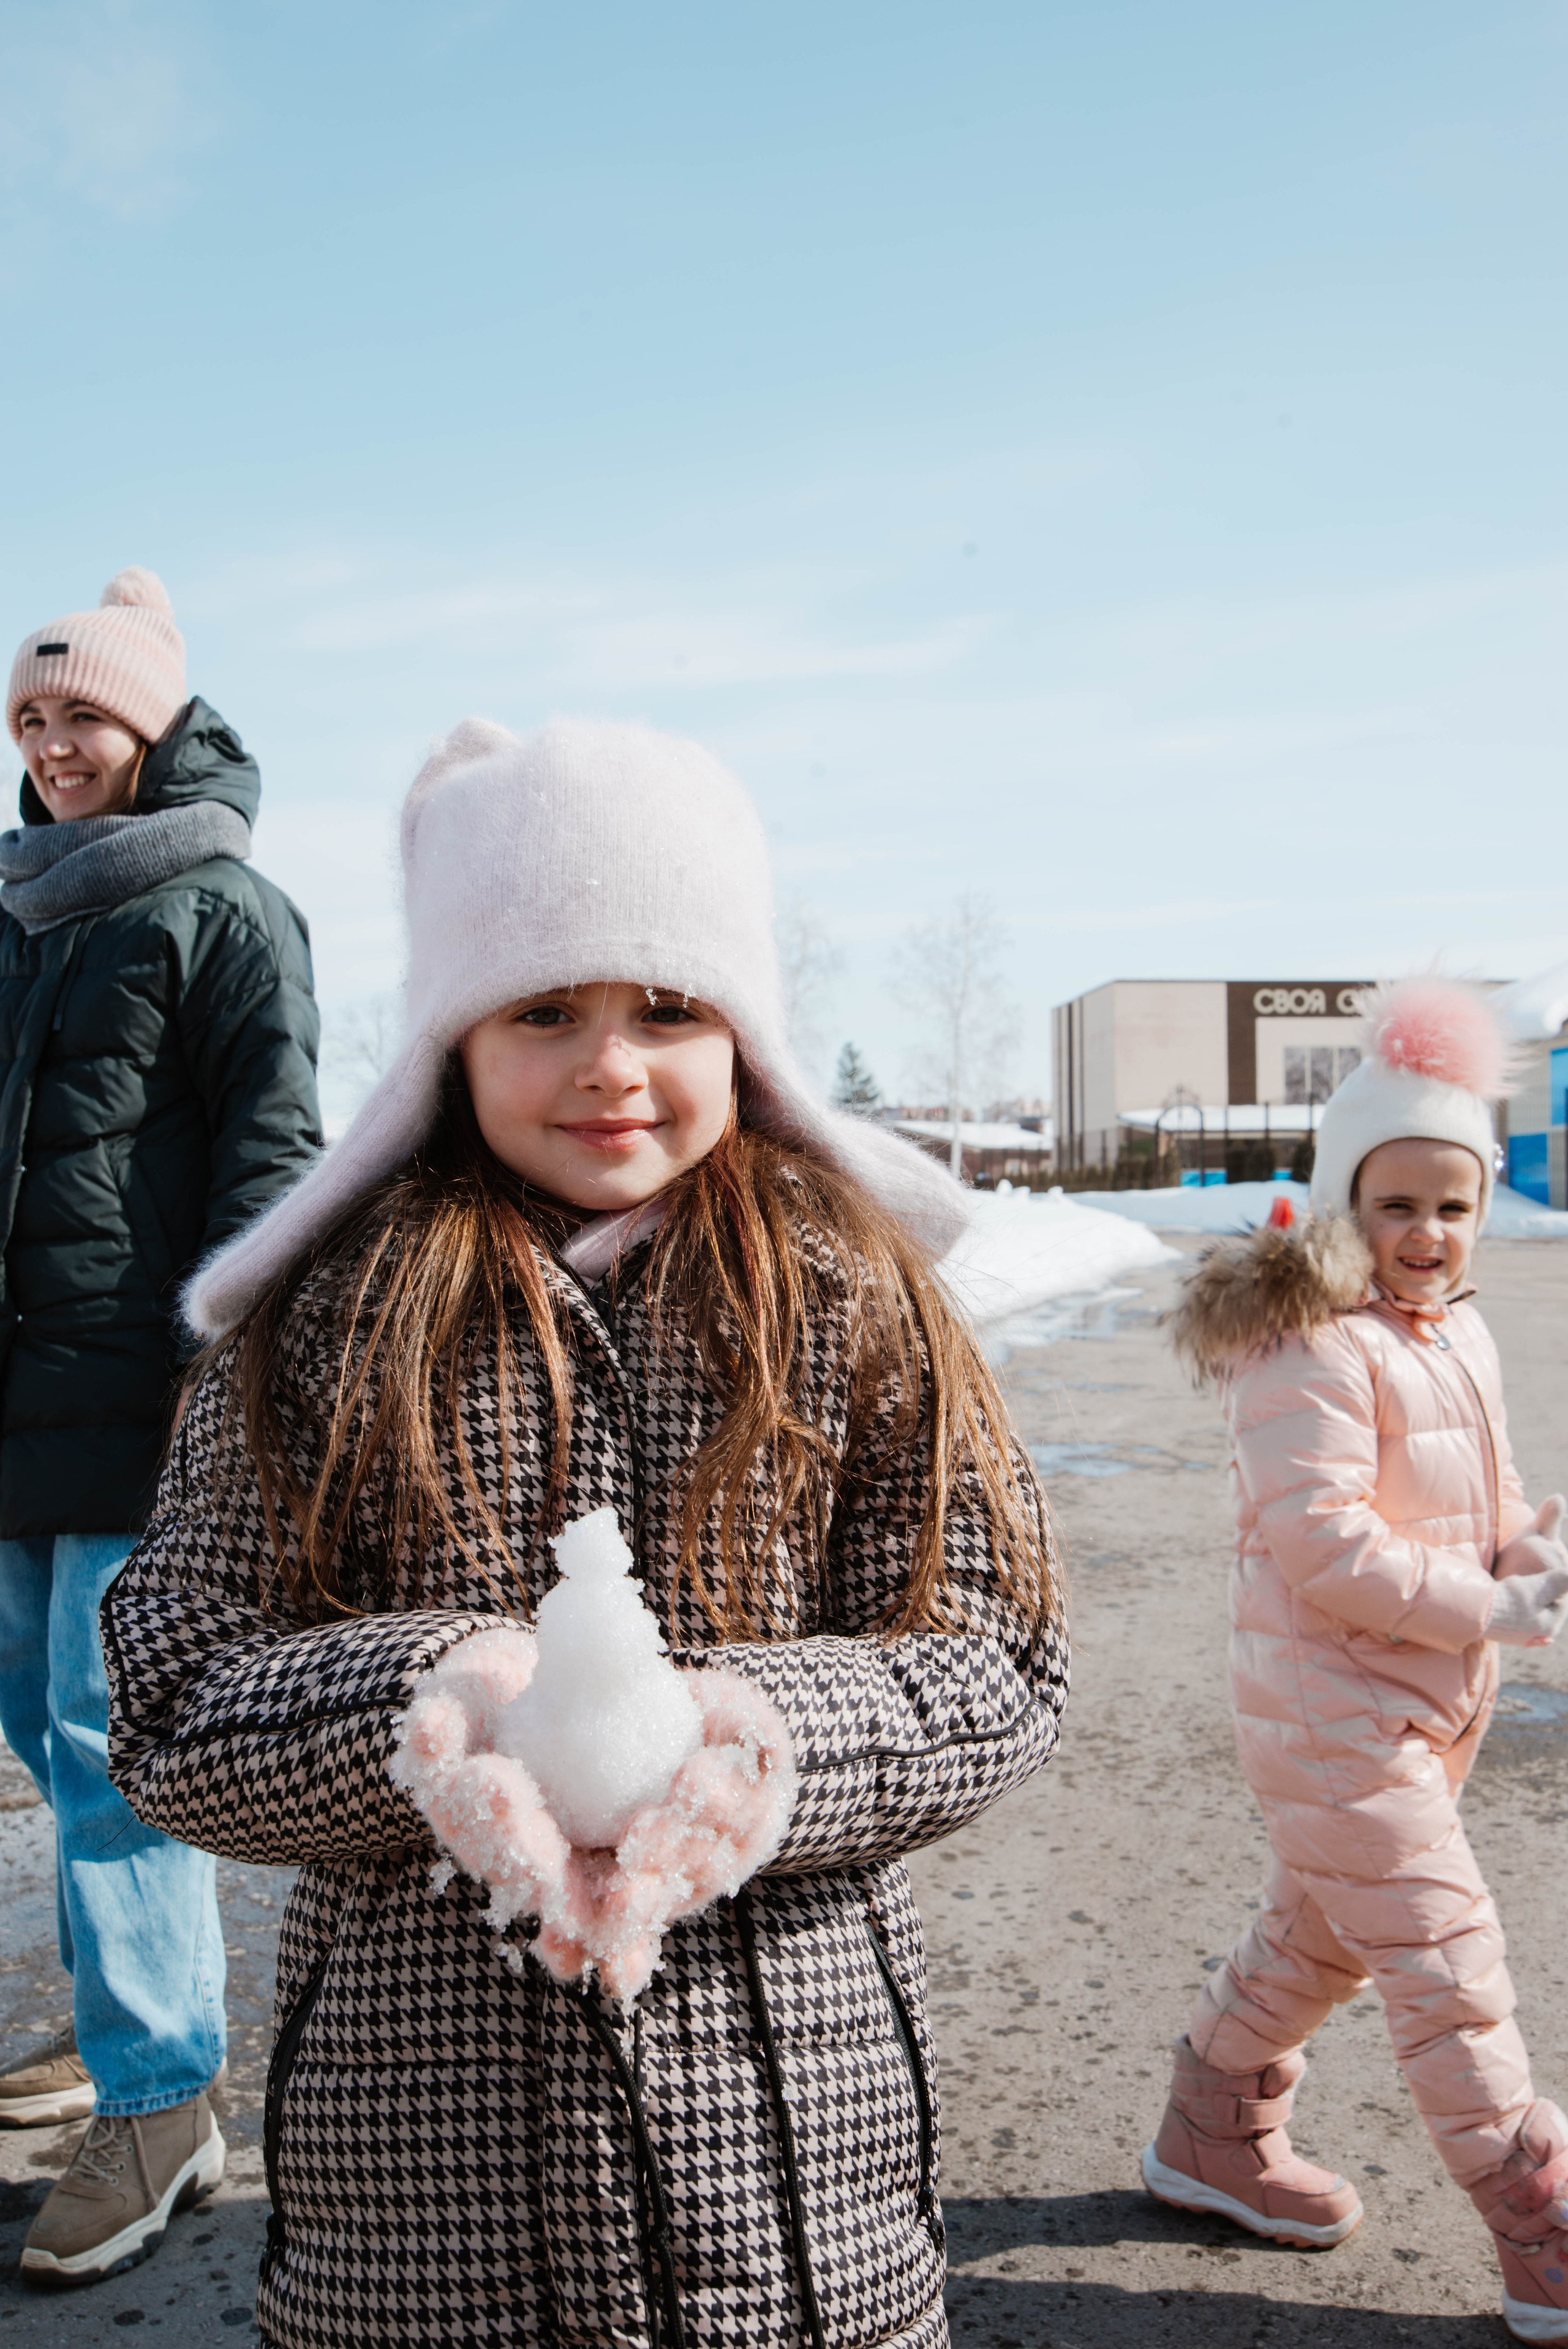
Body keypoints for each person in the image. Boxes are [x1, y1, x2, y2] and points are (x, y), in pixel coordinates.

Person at [100, 714, 1068, 2349]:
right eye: (546, 1010)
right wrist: (431, 1704)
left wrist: (756, 1738)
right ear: (451, 1044)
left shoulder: (855, 1298)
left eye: (668, 1009)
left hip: (793, 2186)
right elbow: (174, 1692)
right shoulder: (328, 1318)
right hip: (415, 2197)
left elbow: (995, 1661)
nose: (611, 1063)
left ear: (744, 1034)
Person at [1142, 976, 1568, 2345]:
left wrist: (1520, 1552)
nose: (1427, 1234)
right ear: (1343, 1204)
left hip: (1415, 1707)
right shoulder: (1306, 1341)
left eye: (1453, 1205)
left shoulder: (1460, 1333)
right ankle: (1535, 2221)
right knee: (1445, 1959)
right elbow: (1324, 1548)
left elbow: (1481, 1495)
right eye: (1396, 1204)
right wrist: (1485, 1608)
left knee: (1316, 1941)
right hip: (1329, 1713)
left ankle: (1209, 2132)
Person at [0, 569, 322, 2282]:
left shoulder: (224, 912)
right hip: (13, 1410)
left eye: (83, 716)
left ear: (156, 723)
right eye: (30, 720)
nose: (55, 747)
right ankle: (130, 2030)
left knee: (116, 1750)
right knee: (53, 1752)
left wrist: (231, 1369)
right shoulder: (17, 909)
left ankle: (164, 2097)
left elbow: (275, 1158)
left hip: (144, 1404)